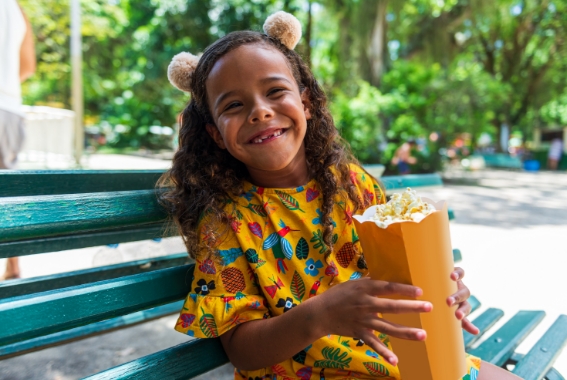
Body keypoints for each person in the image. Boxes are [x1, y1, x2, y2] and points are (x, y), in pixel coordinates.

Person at [159, 11, 521, 380]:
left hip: (403, 361)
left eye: (275, 91)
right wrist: (321, 314)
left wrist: (443, 287)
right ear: (216, 134)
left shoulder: (353, 185)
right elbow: (242, 351)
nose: (260, 111)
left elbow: (397, 275)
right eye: (233, 105)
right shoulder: (224, 219)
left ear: (307, 103)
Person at [0, 0, 36, 281]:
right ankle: (12, 268)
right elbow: (27, 67)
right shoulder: (16, 9)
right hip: (9, 108)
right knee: (6, 192)